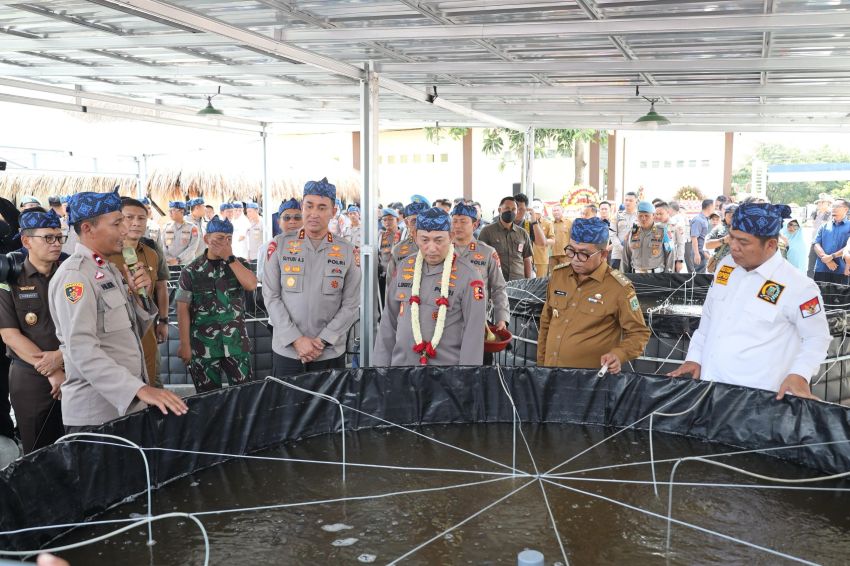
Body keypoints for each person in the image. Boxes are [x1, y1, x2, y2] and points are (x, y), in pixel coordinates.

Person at [49, 189, 188, 431]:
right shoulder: (76, 277)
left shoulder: (108, 270)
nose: (125, 229)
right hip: (97, 416)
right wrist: (139, 389)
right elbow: (81, 349)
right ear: (87, 229)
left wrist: (139, 297)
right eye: (117, 223)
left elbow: (132, 331)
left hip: (125, 408)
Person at [669, 203, 831, 399]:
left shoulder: (799, 286)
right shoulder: (725, 266)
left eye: (743, 242)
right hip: (709, 389)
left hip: (756, 400)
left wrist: (800, 373)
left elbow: (817, 338)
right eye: (732, 237)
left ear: (771, 244)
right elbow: (709, 319)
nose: (733, 246)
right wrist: (695, 358)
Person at [263, 178, 360, 377]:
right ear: (302, 207)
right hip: (288, 351)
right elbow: (271, 297)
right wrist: (296, 340)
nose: (314, 213)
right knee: (287, 408)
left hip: (329, 352)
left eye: (322, 207)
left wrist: (322, 340)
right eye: (309, 206)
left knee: (329, 407)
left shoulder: (347, 251)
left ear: (333, 212)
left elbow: (351, 304)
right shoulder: (279, 245)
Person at [374, 207, 486, 366]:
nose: (432, 248)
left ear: (451, 237)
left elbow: (473, 336)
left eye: (438, 240)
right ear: (415, 236)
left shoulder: (469, 276)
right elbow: (388, 322)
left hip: (446, 378)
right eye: (425, 240)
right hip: (401, 371)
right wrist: (380, 369)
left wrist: (465, 382)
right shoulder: (405, 266)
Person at [537, 217, 650, 371]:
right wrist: (541, 367)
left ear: (603, 254)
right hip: (550, 373)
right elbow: (546, 322)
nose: (575, 259)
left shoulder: (619, 288)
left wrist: (619, 354)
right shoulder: (559, 276)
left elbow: (639, 333)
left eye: (584, 254)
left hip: (589, 383)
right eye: (571, 251)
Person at [0, 209, 66, 453]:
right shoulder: (9, 278)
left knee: (77, 445)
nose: (56, 243)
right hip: (31, 378)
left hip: (75, 369)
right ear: (26, 241)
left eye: (60, 237)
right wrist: (52, 370)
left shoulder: (70, 274)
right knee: (38, 451)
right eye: (48, 237)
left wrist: (61, 359)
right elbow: (10, 335)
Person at [176, 215, 258, 393]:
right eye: (219, 238)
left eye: (229, 238)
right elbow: (182, 309)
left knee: (244, 396)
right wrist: (185, 345)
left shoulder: (240, 264)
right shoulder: (190, 271)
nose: (225, 243)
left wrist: (230, 258)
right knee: (207, 399)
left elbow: (251, 285)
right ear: (206, 239)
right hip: (203, 347)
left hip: (236, 344)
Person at [107, 198, 166, 388]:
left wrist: (163, 320)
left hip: (147, 334)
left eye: (141, 218)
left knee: (153, 387)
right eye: (129, 217)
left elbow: (160, 287)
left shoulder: (151, 253)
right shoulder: (105, 254)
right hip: (116, 339)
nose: (136, 223)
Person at [451, 202, 509, 334]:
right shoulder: (442, 251)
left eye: (463, 221)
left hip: (479, 320)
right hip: (448, 321)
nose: (457, 226)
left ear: (475, 224)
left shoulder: (487, 252)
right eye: (454, 221)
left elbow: (499, 287)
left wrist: (502, 318)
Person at [478, 196, 533, 281]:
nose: (510, 211)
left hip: (518, 283)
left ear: (517, 211)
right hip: (495, 283)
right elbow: (480, 258)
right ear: (500, 210)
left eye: (513, 209)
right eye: (507, 208)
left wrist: (528, 281)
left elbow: (527, 259)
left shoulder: (523, 233)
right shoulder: (487, 231)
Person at [622, 201, 673, 273]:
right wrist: (625, 275)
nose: (643, 218)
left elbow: (670, 253)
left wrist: (668, 276)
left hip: (656, 276)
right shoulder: (633, 231)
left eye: (646, 216)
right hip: (636, 276)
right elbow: (626, 255)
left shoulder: (662, 231)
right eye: (640, 216)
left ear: (653, 215)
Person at [387, 201, 429, 283]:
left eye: (423, 221)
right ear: (406, 223)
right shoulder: (398, 250)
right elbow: (390, 283)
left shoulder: (439, 248)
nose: (419, 225)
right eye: (414, 221)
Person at [814, 199, 850, 284]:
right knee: (820, 296)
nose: (833, 209)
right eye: (833, 206)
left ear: (846, 209)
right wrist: (827, 260)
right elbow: (816, 244)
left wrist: (831, 257)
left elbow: (848, 247)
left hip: (842, 270)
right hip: (821, 268)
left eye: (837, 206)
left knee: (840, 297)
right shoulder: (824, 226)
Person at [161, 200, 200, 266]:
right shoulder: (166, 227)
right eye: (169, 210)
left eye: (172, 210)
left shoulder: (192, 228)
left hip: (187, 265)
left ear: (182, 211)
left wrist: (178, 259)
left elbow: (193, 247)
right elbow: (163, 246)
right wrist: (170, 259)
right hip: (169, 264)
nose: (170, 213)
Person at [704, 203, 737, 273]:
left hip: (739, 266)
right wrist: (723, 240)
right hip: (722, 266)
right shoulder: (719, 228)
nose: (733, 218)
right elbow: (707, 245)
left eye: (735, 216)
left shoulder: (744, 229)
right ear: (725, 216)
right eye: (730, 216)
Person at [654, 201, 685, 273]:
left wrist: (679, 261)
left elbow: (681, 244)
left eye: (661, 214)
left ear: (668, 212)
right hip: (658, 259)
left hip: (672, 259)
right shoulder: (655, 227)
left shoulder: (676, 226)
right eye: (657, 214)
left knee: (671, 281)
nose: (658, 216)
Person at [610, 192, 638, 270]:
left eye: (630, 200)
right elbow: (612, 233)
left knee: (632, 280)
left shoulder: (640, 216)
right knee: (615, 279)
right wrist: (621, 248)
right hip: (618, 254)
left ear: (636, 201)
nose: (628, 202)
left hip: (634, 255)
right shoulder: (617, 215)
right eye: (626, 200)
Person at [378, 207, 402, 297]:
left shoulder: (403, 234)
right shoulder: (380, 236)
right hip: (384, 276)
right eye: (385, 220)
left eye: (391, 219)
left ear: (397, 220)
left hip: (399, 277)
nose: (387, 222)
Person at [686, 199, 714, 273]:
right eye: (713, 206)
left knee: (702, 275)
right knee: (699, 276)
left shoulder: (705, 219)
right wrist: (697, 254)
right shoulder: (698, 220)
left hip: (702, 252)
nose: (714, 209)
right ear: (710, 207)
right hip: (698, 252)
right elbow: (694, 238)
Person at [808, 193, 833, 277]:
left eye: (823, 202)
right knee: (810, 264)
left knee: (825, 263)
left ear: (828, 204)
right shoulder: (815, 212)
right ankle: (809, 283)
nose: (820, 204)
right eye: (819, 202)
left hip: (826, 242)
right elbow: (809, 223)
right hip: (814, 240)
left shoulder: (831, 214)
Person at [528, 200, 555, 277]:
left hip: (541, 259)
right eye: (533, 213)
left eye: (537, 213)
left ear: (541, 212)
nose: (535, 215)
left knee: (540, 283)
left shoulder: (547, 223)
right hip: (528, 258)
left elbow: (553, 240)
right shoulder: (527, 222)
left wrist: (542, 240)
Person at [549, 204, 573, 271]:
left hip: (565, 254)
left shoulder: (569, 223)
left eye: (557, 210)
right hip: (552, 254)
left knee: (565, 274)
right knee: (553, 275)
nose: (556, 212)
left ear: (562, 211)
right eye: (554, 210)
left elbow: (573, 238)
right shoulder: (550, 224)